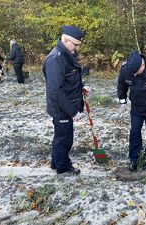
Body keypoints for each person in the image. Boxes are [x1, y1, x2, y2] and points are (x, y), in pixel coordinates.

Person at [42, 25, 90, 175]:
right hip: (61, 108)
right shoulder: (56, 60)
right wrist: (73, 112)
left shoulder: (67, 54)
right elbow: (55, 91)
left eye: (78, 45)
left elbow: (68, 80)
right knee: (65, 139)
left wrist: (82, 86)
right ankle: (63, 168)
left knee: (61, 137)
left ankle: (56, 163)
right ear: (65, 39)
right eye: (75, 45)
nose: (77, 48)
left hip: (67, 104)